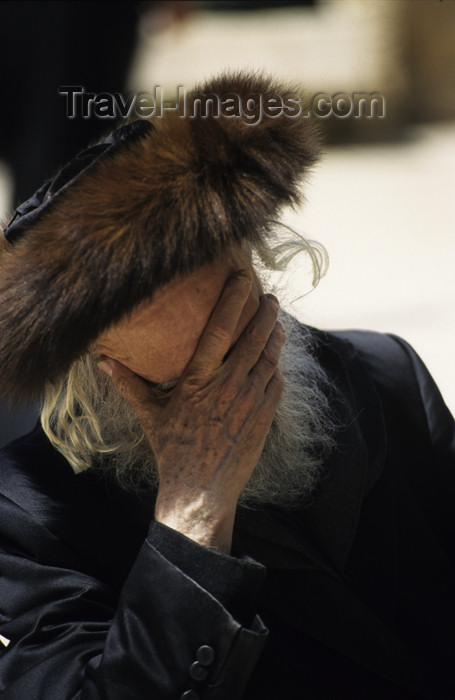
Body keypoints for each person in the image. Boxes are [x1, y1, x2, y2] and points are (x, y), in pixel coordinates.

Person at [0, 73, 454, 700]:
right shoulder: (28, 516)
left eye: (241, 333)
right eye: (185, 379)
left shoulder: (387, 375)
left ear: (258, 263)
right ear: (97, 367)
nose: (231, 396)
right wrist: (193, 514)